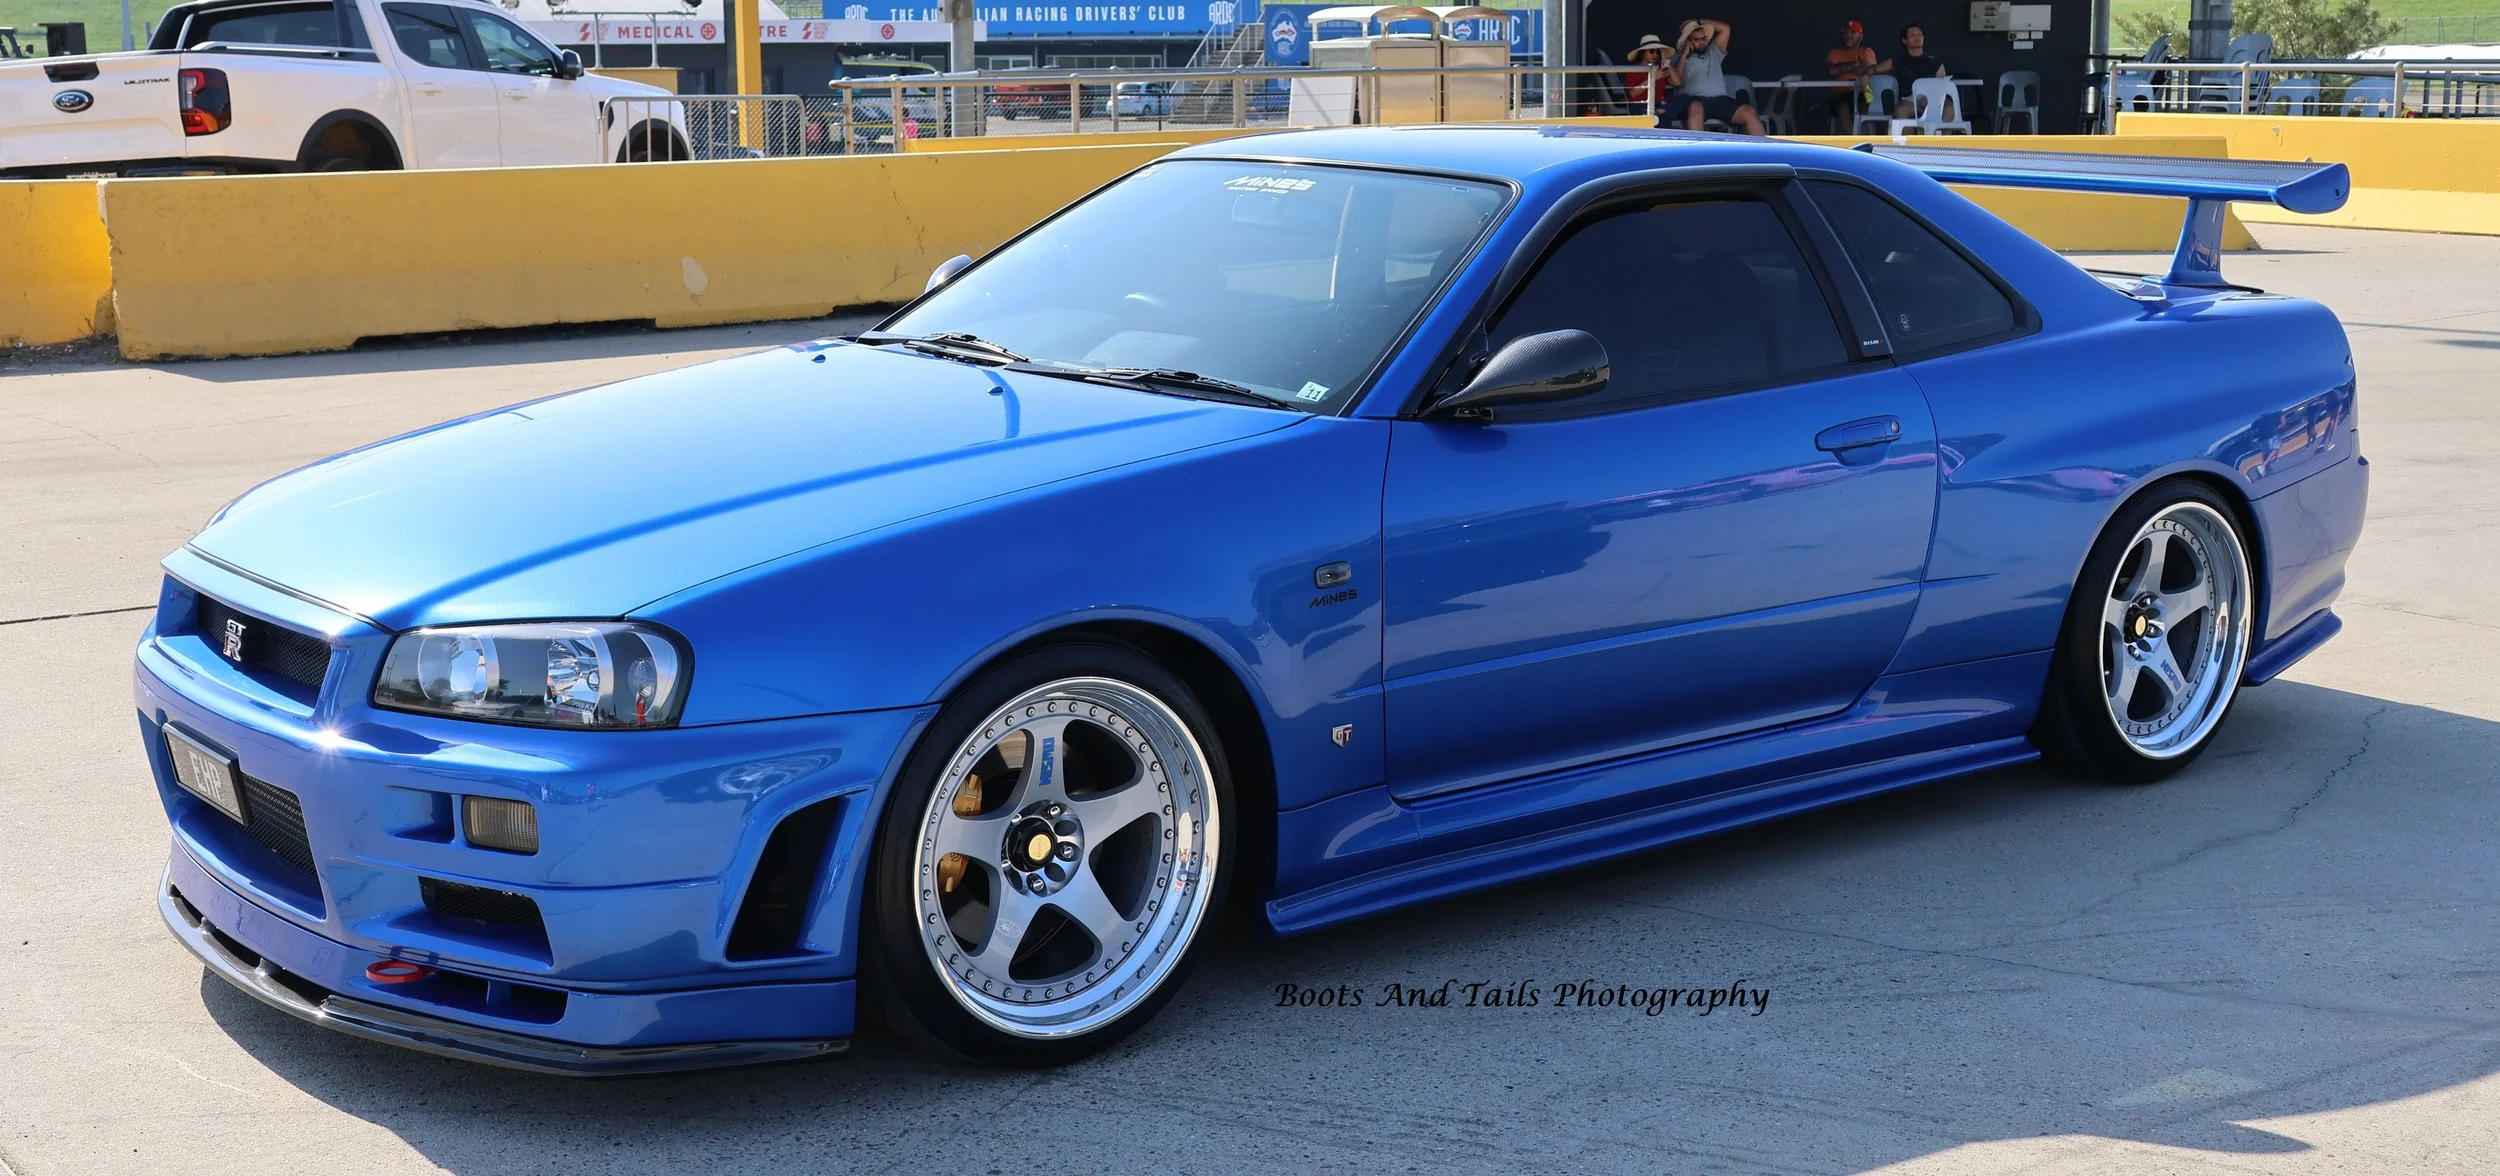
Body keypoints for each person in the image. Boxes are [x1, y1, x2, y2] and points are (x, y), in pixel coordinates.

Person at [1661, 19, 1765, 135]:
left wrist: (1698, 21)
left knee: (1749, 111)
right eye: (1697, 39)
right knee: (1695, 108)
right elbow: (1676, 82)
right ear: (1687, 41)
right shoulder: (1677, 57)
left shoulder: (1714, 50)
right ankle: (1697, 151)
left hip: (1719, 100)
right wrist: (1684, 55)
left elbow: (1725, 29)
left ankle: (1765, 150)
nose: (1702, 42)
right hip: (1693, 101)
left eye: (1703, 38)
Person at [1823, 19, 1890, 130]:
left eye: (1853, 32)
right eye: (1846, 32)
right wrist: (1856, 64)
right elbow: (1832, 71)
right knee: (1841, 106)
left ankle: (1863, 137)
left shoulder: (1866, 52)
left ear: (1861, 36)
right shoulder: (1834, 53)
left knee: (1867, 101)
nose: (1849, 35)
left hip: (1861, 93)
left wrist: (1842, 68)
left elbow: (1867, 70)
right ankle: (1851, 141)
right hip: (1840, 95)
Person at [1890, 23, 1957, 121]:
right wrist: (1866, 75)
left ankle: (1941, 135)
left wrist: (1930, 98)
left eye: (1920, 35)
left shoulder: (1935, 62)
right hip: (1910, 100)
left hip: (1933, 98)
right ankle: (1911, 136)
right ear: (1904, 40)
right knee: (1900, 110)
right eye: (1913, 35)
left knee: (1949, 108)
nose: (1917, 38)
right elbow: (1874, 69)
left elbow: (1942, 85)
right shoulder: (1898, 60)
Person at [1621, 32, 1673, 112]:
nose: (1655, 54)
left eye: (1657, 52)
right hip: (1639, 106)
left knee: (1684, 98)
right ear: (1643, 53)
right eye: (1652, 51)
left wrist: (1666, 59)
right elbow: (1632, 94)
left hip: (1658, 104)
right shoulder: (1634, 70)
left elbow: (1678, 82)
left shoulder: (1660, 69)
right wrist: (1653, 78)